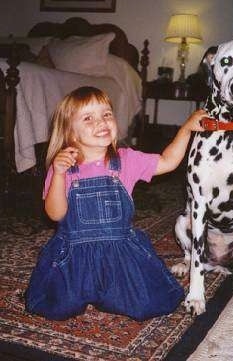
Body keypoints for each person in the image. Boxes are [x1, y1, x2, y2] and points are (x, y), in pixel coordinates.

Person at [25, 86, 206, 321]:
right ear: (71, 134)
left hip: (119, 255)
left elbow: (167, 161)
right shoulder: (63, 168)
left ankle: (111, 290)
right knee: (57, 307)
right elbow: (56, 214)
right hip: (75, 258)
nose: (101, 121)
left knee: (147, 304)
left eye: (107, 114)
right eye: (88, 118)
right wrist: (58, 175)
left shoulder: (126, 160)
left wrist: (186, 129)